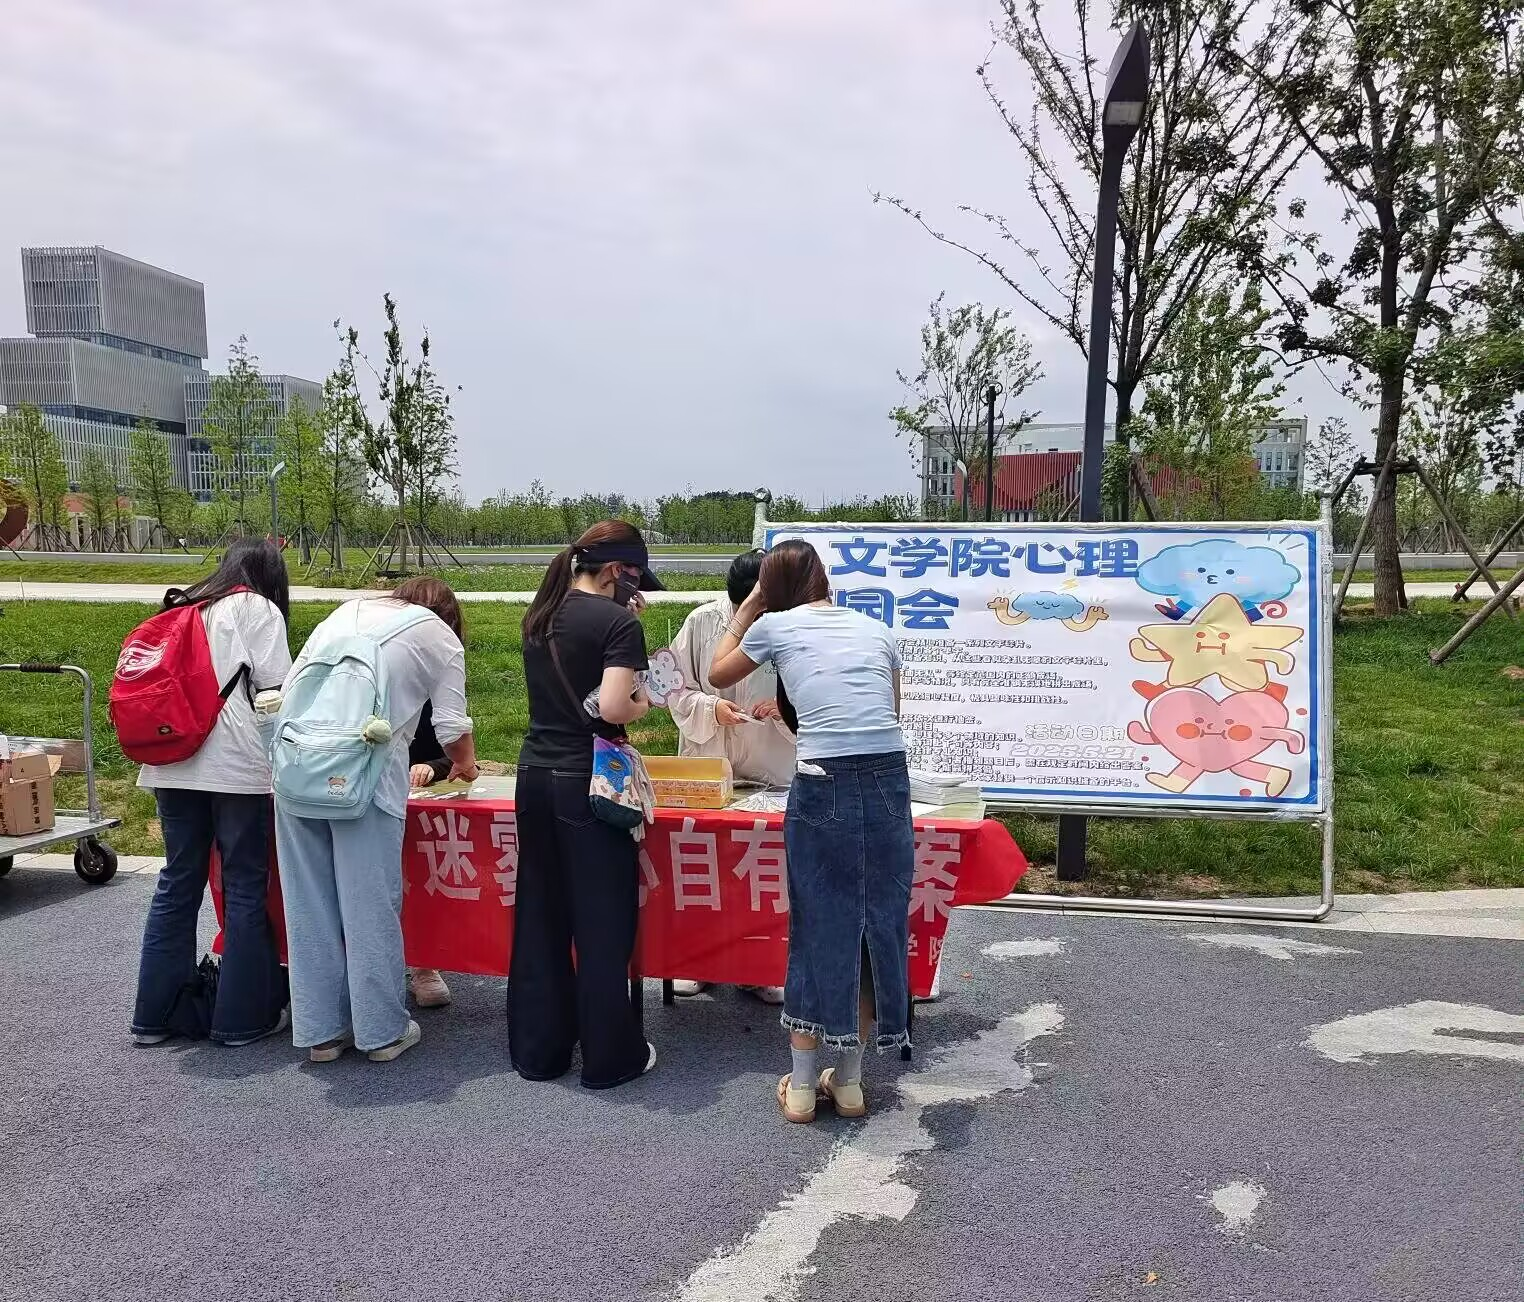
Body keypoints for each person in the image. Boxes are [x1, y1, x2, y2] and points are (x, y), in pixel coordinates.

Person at [710, 539, 914, 1123]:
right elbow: (891, 711)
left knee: (818, 922)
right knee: (875, 926)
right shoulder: (876, 629)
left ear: (772, 586)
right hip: (888, 779)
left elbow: (718, 673)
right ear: (824, 579)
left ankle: (801, 1087)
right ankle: (849, 1083)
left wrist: (752, 605)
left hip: (823, 781)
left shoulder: (775, 625)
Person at [277, 578, 478, 1064]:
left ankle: (321, 1033)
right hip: (365, 778)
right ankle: (381, 1032)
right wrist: (467, 766)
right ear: (451, 617)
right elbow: (451, 727)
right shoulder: (439, 636)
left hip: (295, 767)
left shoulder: (344, 614)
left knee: (307, 906)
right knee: (368, 904)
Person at [510, 520, 662, 1089]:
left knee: (541, 915)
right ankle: (609, 1058)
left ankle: (540, 1052)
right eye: (633, 576)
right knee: (601, 921)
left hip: (534, 774)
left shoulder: (540, 614)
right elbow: (616, 707)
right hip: (590, 782)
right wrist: (644, 702)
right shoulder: (619, 623)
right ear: (617, 571)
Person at [131, 538, 293, 1047]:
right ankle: (241, 1020)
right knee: (244, 883)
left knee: (177, 881)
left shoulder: (183, 606)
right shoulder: (257, 609)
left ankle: (154, 1017)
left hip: (169, 761)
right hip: (234, 767)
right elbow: (276, 691)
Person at [666, 549, 792, 1003]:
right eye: (747, 610)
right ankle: (695, 961)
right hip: (709, 760)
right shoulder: (701, 622)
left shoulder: (790, 626)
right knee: (703, 866)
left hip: (771, 762)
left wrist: (785, 711)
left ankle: (758, 967)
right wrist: (709, 708)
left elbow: (812, 696)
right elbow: (672, 687)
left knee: (760, 870)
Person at [406, 695, 455, 1010]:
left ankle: (423, 965)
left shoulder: (431, 695)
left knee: (419, 878)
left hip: (413, 808)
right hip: (350, 791)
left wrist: (431, 767)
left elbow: (459, 756)